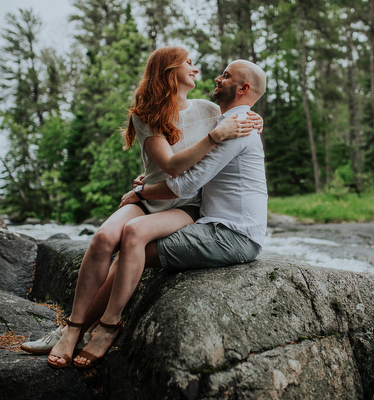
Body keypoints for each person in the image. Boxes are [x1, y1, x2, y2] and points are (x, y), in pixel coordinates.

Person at [34, 46, 261, 368]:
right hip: (151, 196)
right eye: (189, 64)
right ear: (170, 71)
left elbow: (237, 117)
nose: (199, 70)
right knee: (102, 239)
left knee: (132, 238)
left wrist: (253, 118)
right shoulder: (145, 114)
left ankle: (107, 325)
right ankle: (72, 328)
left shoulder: (210, 110)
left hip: (185, 205)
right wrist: (142, 191)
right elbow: (169, 165)